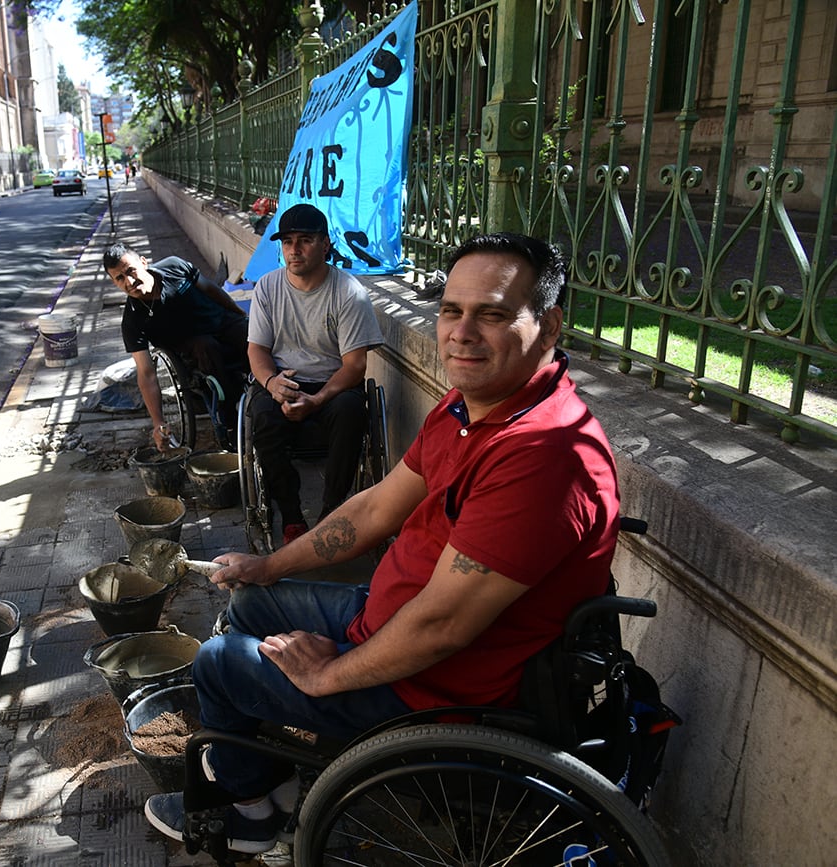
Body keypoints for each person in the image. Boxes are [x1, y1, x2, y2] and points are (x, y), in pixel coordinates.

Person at [143, 233, 621, 855]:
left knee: (218, 662)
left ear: (549, 325)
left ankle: (254, 817)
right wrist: (268, 564)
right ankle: (270, 786)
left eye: (494, 314)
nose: (462, 333)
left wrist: (328, 675)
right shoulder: (470, 405)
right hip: (387, 614)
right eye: (452, 311)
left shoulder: (542, 458)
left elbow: (441, 628)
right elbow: (374, 508)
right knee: (252, 603)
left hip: (437, 685)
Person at [246, 204, 383, 545]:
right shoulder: (267, 287)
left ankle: (332, 513)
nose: (294, 249)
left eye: (305, 240)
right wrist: (271, 383)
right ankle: (291, 517)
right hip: (283, 379)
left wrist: (319, 398)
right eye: (287, 241)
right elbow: (257, 350)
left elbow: (355, 365)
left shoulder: (348, 292)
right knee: (262, 416)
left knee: (352, 412)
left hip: (333, 383)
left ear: (325, 244)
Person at [103, 242, 249, 451]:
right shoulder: (133, 321)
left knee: (252, 334)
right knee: (205, 347)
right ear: (114, 283)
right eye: (120, 278)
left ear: (143, 263)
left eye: (131, 271)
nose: (129, 281)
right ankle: (231, 418)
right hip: (193, 348)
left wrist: (239, 313)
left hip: (222, 323)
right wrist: (158, 422)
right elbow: (146, 373)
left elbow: (210, 289)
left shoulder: (174, 267)